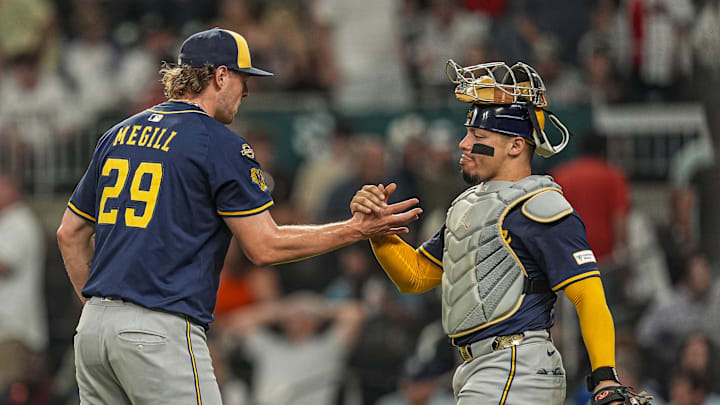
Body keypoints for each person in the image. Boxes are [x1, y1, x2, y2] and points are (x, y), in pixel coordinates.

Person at [55, 27, 421, 405]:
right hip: (158, 329)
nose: (246, 92)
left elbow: (70, 233)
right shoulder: (218, 142)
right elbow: (265, 246)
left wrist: (104, 312)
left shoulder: (118, 134)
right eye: (243, 79)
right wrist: (355, 229)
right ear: (220, 75)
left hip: (94, 331)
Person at [350, 60, 650, 404]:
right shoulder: (470, 205)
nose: (464, 144)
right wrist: (378, 232)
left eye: (478, 136)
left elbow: (588, 293)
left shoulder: (539, 205)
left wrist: (605, 377)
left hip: (515, 364)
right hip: (482, 369)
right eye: (467, 133)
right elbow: (415, 277)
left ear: (516, 145)